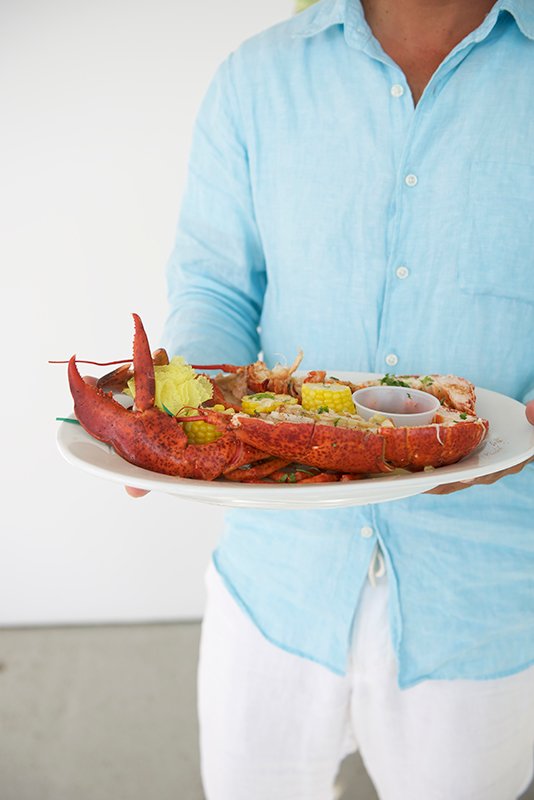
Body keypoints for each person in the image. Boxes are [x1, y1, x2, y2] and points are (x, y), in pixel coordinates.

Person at [131, 0, 534, 797]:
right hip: (274, 579)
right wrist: (182, 418)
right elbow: (215, 287)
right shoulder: (259, 76)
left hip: (488, 589)